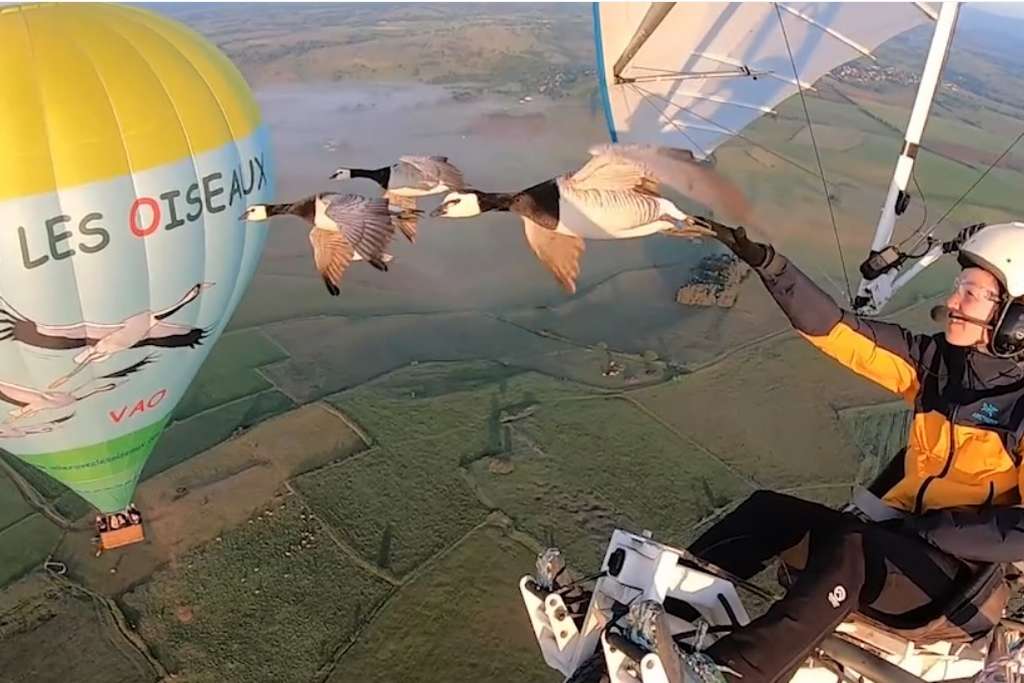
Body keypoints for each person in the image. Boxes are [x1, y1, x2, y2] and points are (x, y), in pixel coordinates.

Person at [679, 219, 1024, 682]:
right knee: (766, 514)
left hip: (956, 579)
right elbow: (840, 332)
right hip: (899, 541)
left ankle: (733, 672)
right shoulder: (935, 365)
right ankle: (666, 612)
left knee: (851, 546)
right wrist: (771, 265)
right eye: (958, 288)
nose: (951, 302)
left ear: (1015, 319)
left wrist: (936, 530)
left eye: (971, 293)